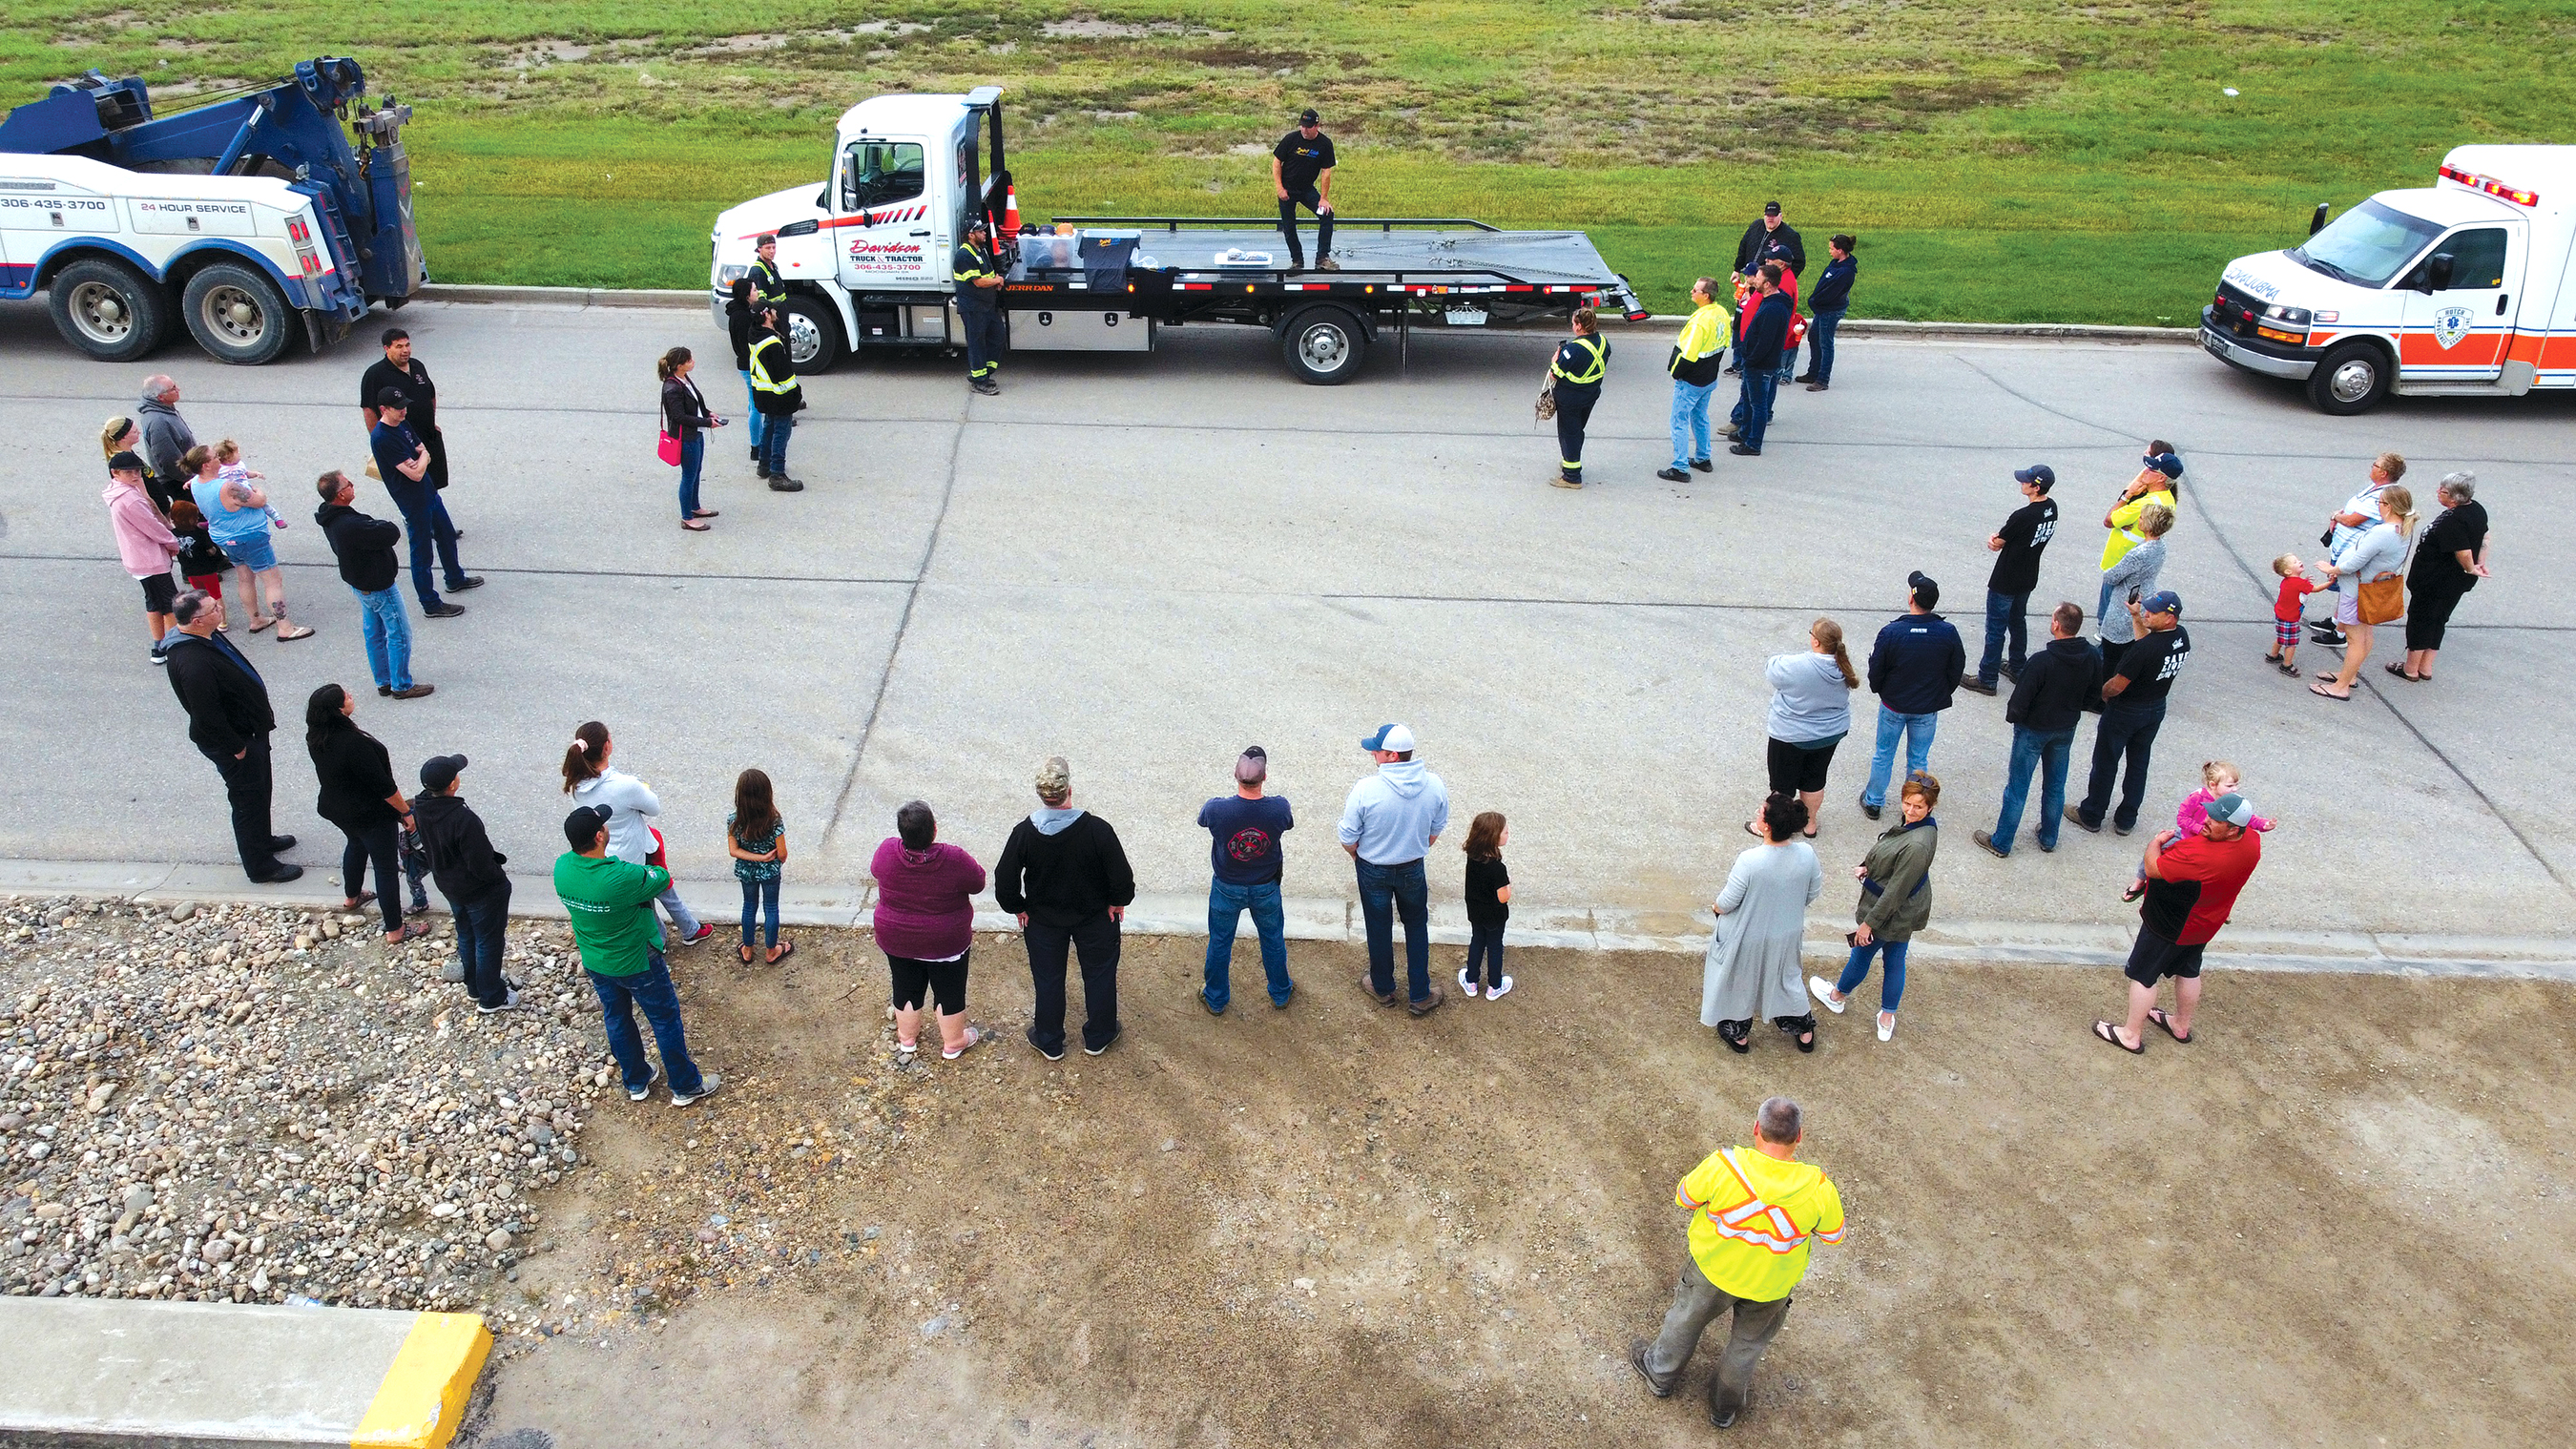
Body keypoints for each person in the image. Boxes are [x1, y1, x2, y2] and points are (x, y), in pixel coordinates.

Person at [1628, 1095, 1842, 1431]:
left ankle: (1659, 1374)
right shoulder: (1819, 1188)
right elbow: (1833, 1235)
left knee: (1684, 1322)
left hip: (1712, 1270)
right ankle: (1723, 1408)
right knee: (1746, 1348)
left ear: (1756, 1128)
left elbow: (1685, 1197)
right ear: (1798, 1137)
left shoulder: (1724, 1165)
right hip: (1771, 1285)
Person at [555, 805, 720, 1107]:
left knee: (616, 1017)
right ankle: (685, 1085)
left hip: (596, 959)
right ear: (599, 835)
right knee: (664, 1018)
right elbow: (660, 878)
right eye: (603, 825)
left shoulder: (562, 868)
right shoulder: (620, 877)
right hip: (637, 960)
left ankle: (636, 1080)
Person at [2092, 792, 2262, 1055]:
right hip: (2206, 923)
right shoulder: (2252, 842)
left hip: (2168, 924)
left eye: (2216, 820)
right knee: (2189, 970)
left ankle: (2130, 1035)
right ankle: (2180, 1025)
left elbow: (2154, 868)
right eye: (2210, 813)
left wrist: (2154, 843)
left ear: (2232, 830)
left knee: (2144, 975)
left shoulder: (2198, 853)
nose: (2207, 820)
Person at [995, 756, 1136, 1060]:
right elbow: (1121, 876)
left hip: (1043, 922)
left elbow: (1004, 879)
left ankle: (1049, 1039)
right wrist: (1117, 901)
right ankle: (1099, 1035)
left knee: (1048, 978)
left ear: (1042, 796)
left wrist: (1017, 907)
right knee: (1099, 975)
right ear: (1069, 790)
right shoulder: (1098, 830)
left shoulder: (1024, 833)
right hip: (1095, 918)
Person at [157, 590, 299, 882]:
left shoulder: (204, 636)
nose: (220, 609)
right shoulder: (192, 662)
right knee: (247, 800)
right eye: (212, 609)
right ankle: (261, 866)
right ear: (196, 621)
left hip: (250, 731)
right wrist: (236, 747)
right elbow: (206, 715)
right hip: (236, 741)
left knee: (260, 791)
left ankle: (263, 839)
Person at [563, 721, 716, 945]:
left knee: (643, 901)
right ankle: (669, 937)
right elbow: (654, 808)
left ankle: (681, 930)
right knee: (659, 889)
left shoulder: (575, 785)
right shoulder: (625, 785)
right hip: (639, 851)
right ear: (607, 747)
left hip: (608, 854)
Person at [1813, 771, 1939, 1043]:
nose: (1911, 810)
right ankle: (1886, 1017)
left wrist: (1869, 922)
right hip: (1906, 913)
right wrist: (1870, 867)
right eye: (1908, 802)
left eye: (1918, 806)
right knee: (1895, 962)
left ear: (1930, 807)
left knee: (1861, 955)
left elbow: (1895, 891)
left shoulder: (1916, 845)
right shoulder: (1925, 830)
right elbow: (1896, 865)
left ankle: (1837, 997)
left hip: (1890, 913)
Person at [1340, 723, 1452, 1016]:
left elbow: (1348, 837)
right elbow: (1436, 828)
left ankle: (1383, 987)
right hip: (1412, 867)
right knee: (1416, 926)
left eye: (1377, 750)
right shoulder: (1434, 784)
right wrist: (1415, 847)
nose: (1373, 753)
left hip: (1372, 867)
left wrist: (1359, 856)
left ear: (1391, 755)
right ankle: (1420, 993)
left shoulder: (1366, 788)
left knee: (1378, 926)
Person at [1973, 602, 2099, 859]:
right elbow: (2094, 694)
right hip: (2065, 729)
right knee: (2055, 785)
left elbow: (2020, 700)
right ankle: (2049, 837)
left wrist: (2016, 719)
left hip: (2033, 730)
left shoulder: (2042, 661)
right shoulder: (2091, 656)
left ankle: (2002, 841)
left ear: (2056, 625)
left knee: (2018, 788)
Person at [1701, 794, 1823, 1054]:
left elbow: (1728, 900)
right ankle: (1803, 1028)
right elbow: (1812, 892)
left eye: (1760, 812)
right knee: (1788, 977)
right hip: (1787, 931)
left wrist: (1716, 908)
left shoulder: (1751, 860)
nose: (1757, 813)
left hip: (1749, 934)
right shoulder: (1806, 853)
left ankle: (1739, 1033)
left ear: (1767, 826)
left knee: (1741, 981)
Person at [871, 800, 989, 1062]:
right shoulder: (954, 858)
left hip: (897, 937)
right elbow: (978, 882)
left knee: (904, 985)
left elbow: (875, 871)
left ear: (902, 832)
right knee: (949, 989)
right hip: (945, 942)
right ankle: (953, 1042)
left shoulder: (887, 851)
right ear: (934, 830)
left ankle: (907, 1039)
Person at [2067, 590, 2191, 836]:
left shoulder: (2143, 651)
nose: (2147, 613)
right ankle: (2126, 819)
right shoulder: (2181, 637)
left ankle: (2091, 814)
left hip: (2126, 710)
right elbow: (2148, 643)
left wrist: (2099, 693)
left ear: (2169, 617)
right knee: (2138, 763)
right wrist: (2137, 618)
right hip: (2155, 707)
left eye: (2152, 612)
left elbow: (2118, 684)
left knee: (2105, 762)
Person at [304, 684, 420, 944]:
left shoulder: (316, 735)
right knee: (386, 867)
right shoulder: (355, 744)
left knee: (355, 844)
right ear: (338, 709)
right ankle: (395, 929)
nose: (351, 696)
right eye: (346, 696)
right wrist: (405, 812)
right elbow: (384, 787)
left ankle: (352, 897)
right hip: (370, 813)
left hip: (337, 808)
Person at [413, 754, 516, 1013]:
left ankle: (475, 986)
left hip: (448, 884)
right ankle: (492, 997)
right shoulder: (462, 819)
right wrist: (499, 879)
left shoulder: (421, 807)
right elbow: (480, 864)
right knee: (488, 940)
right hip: (479, 890)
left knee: (466, 934)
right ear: (452, 785)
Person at [315, 470, 430, 700]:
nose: (352, 486)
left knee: (374, 633)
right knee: (399, 633)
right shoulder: (351, 525)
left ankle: (384, 680)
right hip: (379, 586)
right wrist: (382, 525)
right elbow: (389, 533)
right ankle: (401, 684)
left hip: (360, 584)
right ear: (340, 495)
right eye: (348, 484)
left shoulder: (330, 518)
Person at [1859, 571, 1964, 819]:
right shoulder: (1947, 632)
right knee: (1918, 758)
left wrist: (1882, 691)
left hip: (1894, 705)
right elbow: (1956, 668)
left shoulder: (1892, 632)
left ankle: (1874, 801)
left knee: (1883, 753)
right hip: (1927, 707)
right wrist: (1940, 693)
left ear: (1911, 599)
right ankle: (1914, 807)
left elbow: (1876, 670)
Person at [1198, 746, 1296, 1014]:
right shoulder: (1278, 807)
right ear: (1264, 777)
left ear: (1235, 776)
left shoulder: (1217, 809)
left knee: (1220, 941)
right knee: (1273, 939)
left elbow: (1203, 821)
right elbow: (1287, 823)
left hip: (1226, 886)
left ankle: (1216, 998)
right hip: (1266, 886)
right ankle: (1280, 992)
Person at [368, 392, 480, 618]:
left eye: (404, 406)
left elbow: (421, 449)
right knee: (422, 553)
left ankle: (454, 578)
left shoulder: (402, 423)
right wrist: (422, 459)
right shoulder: (382, 437)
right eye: (398, 407)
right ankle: (430, 603)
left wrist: (422, 458)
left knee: (446, 534)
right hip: (413, 501)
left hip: (428, 492)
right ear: (383, 409)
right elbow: (416, 473)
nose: (404, 410)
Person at [186, 445, 311, 643]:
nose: (219, 459)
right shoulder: (227, 487)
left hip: (225, 537)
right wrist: (259, 492)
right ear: (206, 464)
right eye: (215, 457)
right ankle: (285, 626)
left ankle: (256, 620)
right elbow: (258, 501)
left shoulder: (195, 483)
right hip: (249, 537)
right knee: (272, 580)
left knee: (245, 577)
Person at [1960, 465, 2059, 695]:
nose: (2021, 483)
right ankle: (2017, 666)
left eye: (2026, 481)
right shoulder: (2051, 508)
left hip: (2006, 579)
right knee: (2017, 621)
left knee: (1995, 629)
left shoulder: (2023, 516)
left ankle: (1987, 678)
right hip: (2028, 575)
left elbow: (1998, 543)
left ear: (2035, 487)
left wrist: (1993, 538)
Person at [2312, 487, 2417, 701]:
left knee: (2355, 639)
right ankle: (2347, 676)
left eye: (2380, 502)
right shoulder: (2403, 529)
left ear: (2388, 506)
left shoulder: (2383, 532)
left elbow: (2357, 561)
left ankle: (2341, 686)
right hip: (2369, 590)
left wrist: (2332, 570)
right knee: (2365, 635)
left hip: (2357, 590)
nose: (2378, 506)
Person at [2124, 761, 2275, 902]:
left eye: (2236, 785)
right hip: (2186, 837)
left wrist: (2263, 824)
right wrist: (2199, 829)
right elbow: (2182, 818)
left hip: (2211, 841)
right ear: (2213, 785)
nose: (2234, 789)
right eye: (2230, 786)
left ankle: (2217, 902)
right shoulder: (2196, 798)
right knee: (2153, 855)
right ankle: (2139, 882)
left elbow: (2245, 817)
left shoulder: (2230, 800)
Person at [1761, 619, 1858, 838]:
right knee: (1814, 779)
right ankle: (1809, 824)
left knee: (1782, 785)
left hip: (1791, 735)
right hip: (1829, 734)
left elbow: (1771, 668)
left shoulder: (1798, 666)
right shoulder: (1842, 666)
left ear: (1815, 641)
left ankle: (1776, 827)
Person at [2397, 472, 2490, 682]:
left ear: (2456, 496)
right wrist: (2480, 562)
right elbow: (2485, 535)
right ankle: (2426, 667)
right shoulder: (2476, 509)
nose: (2438, 492)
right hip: (2454, 583)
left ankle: (2410, 669)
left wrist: (2470, 567)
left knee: (2421, 620)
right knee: (2439, 619)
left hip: (2435, 582)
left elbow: (2463, 552)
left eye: (2444, 491)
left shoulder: (2454, 521)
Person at [2310, 452, 2404, 641]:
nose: (2372, 467)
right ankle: (2337, 621)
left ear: (2384, 473)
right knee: (2343, 589)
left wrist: (2336, 516)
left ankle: (2341, 633)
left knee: (2348, 591)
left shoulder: (2382, 495)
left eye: (2375, 465)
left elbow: (2353, 520)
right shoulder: (2375, 488)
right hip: (2345, 547)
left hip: (2353, 550)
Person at [103, 450, 183, 660]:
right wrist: (172, 541)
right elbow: (151, 526)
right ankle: (173, 646)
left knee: (153, 603)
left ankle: (159, 645)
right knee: (170, 604)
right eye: (129, 472)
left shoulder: (116, 492)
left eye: (137, 470)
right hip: (150, 560)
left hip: (136, 559)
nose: (135, 475)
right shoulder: (130, 499)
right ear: (115, 473)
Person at [360, 328, 454, 495]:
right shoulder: (375, 374)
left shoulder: (417, 365)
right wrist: (379, 440)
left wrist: (432, 422)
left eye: (407, 345)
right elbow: (368, 409)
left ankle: (433, 510)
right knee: (411, 487)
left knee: (433, 482)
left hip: (427, 435)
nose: (405, 350)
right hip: (402, 439)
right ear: (386, 348)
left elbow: (430, 394)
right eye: (399, 346)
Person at [2097, 446, 2182, 623]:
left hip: (2119, 560)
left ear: (2161, 478)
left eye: (2151, 470)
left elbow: (2108, 520)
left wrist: (2126, 496)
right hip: (2138, 569)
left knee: (2108, 613)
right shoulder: (2167, 498)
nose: (2145, 471)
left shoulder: (2144, 503)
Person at [2094, 504, 2173, 681]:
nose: (2139, 520)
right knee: (2132, 649)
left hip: (2125, 603)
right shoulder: (2160, 547)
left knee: (2111, 656)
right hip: (2146, 596)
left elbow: (2111, 576)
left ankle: (2103, 696)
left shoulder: (2138, 554)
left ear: (2149, 525)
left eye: (2142, 518)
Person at [1655, 280, 1724, 485]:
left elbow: (1688, 355)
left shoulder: (1699, 322)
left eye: (1695, 290)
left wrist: (1676, 373)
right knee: (1700, 416)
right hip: (1709, 377)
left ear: (1706, 295)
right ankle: (1703, 458)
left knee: (1679, 421)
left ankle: (1680, 468)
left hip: (1692, 380)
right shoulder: (1719, 313)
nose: (1691, 291)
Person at [725, 768, 791, 966]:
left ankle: (747, 949)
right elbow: (782, 853)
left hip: (746, 872)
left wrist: (754, 858)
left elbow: (733, 851)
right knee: (771, 907)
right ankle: (771, 951)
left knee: (749, 906)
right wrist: (765, 858)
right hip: (770, 872)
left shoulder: (734, 819)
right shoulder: (774, 820)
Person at [1725, 264, 1791, 457]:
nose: (1754, 280)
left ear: (1768, 284)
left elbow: (1765, 341)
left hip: (1760, 365)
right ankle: (1745, 432)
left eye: (1758, 278)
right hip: (1756, 363)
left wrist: (1751, 360)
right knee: (1748, 398)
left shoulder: (1773, 308)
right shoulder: (1771, 302)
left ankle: (1753, 444)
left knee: (1758, 404)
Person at [659, 346, 724, 529]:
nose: (693, 362)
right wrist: (706, 422)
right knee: (689, 475)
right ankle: (687, 517)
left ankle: (695, 507)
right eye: (689, 360)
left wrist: (707, 413)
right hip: (686, 437)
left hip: (695, 433)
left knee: (696, 471)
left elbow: (695, 402)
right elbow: (679, 417)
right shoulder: (672, 388)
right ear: (679, 365)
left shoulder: (683, 379)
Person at [1548, 308, 1610, 489]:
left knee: (1569, 434)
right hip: (1590, 395)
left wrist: (1555, 360)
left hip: (1570, 398)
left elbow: (1554, 375)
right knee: (1577, 431)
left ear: (1579, 326)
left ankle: (1571, 477)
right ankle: (1570, 461)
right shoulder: (1603, 342)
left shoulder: (1572, 350)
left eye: (1574, 323)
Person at [745, 307, 806, 490]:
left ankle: (764, 465)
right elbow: (784, 374)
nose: (775, 312)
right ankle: (777, 474)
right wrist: (796, 394)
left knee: (769, 427)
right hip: (779, 396)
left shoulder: (755, 335)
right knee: (781, 432)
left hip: (763, 394)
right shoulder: (772, 343)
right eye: (772, 310)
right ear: (766, 316)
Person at [1272, 109, 1337, 270]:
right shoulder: (1291, 139)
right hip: (1287, 189)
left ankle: (1322, 257)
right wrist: (1279, 188)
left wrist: (1324, 198)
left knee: (1327, 215)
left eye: (1308, 127)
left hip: (1307, 190)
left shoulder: (1325, 144)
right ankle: (1297, 261)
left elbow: (1326, 172)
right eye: (1302, 126)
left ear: (1317, 126)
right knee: (1289, 225)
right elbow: (1276, 162)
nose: (1304, 130)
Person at [1460, 811, 1513, 1001]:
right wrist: (1508, 884)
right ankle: (1495, 986)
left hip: (1475, 911)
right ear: (1493, 838)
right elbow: (1503, 898)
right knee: (1495, 946)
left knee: (1477, 941)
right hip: (1495, 916)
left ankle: (1471, 981)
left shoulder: (1473, 856)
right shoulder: (1498, 869)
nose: (1508, 834)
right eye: (1505, 832)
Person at [953, 217, 1008, 396]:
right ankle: (979, 381)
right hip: (973, 307)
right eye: (980, 231)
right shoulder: (964, 255)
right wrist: (997, 281)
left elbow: (988, 274)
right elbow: (977, 282)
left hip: (986, 306)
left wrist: (996, 279)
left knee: (998, 336)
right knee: (977, 344)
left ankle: (985, 372)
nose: (984, 233)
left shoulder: (980, 250)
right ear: (971, 235)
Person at [1795, 235, 1856, 391]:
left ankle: (1822, 380)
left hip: (1830, 310)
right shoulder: (1836, 264)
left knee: (1825, 343)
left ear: (1840, 250)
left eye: (1832, 248)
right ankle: (1813, 372)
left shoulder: (1845, 272)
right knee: (1814, 337)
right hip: (1822, 308)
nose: (1829, 251)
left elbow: (1831, 293)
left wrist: (1815, 302)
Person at [724, 278, 770, 468]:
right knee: (756, 406)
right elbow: (747, 345)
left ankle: (757, 443)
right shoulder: (742, 317)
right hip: (749, 365)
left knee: (754, 404)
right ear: (746, 295)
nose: (757, 291)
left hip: (745, 364)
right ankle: (756, 446)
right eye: (754, 289)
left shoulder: (739, 312)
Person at [135, 377, 197, 516]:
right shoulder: (158, 422)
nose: (178, 390)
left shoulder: (164, 409)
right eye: (173, 389)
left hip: (186, 476)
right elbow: (169, 460)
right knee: (193, 519)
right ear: (161, 397)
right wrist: (192, 479)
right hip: (180, 482)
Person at [167, 499, 230, 631]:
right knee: (216, 596)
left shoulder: (174, 534)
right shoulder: (200, 533)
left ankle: (205, 617)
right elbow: (211, 551)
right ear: (191, 519)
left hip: (189, 571)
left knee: (200, 596)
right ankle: (222, 622)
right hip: (207, 571)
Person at [2265, 552, 2320, 677]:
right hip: (2290, 618)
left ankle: (2273, 656)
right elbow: (2315, 589)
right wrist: (2330, 582)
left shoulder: (2288, 581)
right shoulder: (2299, 584)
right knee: (2291, 643)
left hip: (2281, 615)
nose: (2299, 561)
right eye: (2295, 562)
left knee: (2281, 636)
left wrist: (2304, 582)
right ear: (2288, 571)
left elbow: (2297, 586)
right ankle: (2286, 665)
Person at [1733, 201, 1805, 280]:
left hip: (1768, 283)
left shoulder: (1790, 235)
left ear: (1780, 216)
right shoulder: (1755, 226)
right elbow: (1743, 247)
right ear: (1764, 215)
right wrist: (1737, 269)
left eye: (1774, 215)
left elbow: (1799, 262)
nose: (1770, 218)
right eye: (1768, 215)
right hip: (1750, 278)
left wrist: (1781, 281)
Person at [747, 232, 788, 315]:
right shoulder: (757, 271)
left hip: (781, 313)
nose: (772, 251)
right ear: (759, 249)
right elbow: (760, 301)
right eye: (768, 248)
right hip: (771, 317)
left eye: (774, 247)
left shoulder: (773, 266)